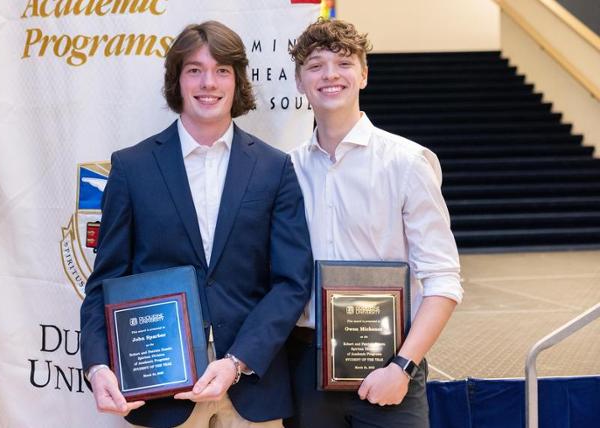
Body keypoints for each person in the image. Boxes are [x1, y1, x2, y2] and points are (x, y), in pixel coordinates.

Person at [79, 20, 313, 428]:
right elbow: (105, 281)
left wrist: (237, 362)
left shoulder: (275, 168)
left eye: (222, 70)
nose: (209, 82)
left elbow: (292, 282)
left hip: (251, 394)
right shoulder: (132, 168)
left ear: (238, 81)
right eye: (195, 70)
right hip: (159, 398)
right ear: (177, 80)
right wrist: (98, 367)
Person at [285, 18, 464, 428]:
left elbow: (443, 279)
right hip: (305, 364)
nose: (330, 75)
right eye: (315, 65)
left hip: (390, 362)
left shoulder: (407, 162)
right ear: (299, 82)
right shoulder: (287, 169)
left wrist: (401, 367)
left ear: (364, 74)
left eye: (344, 63)